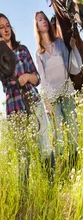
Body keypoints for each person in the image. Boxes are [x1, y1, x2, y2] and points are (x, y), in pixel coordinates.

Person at [0, 13, 54, 170]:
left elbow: (37, 78)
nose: (6, 29)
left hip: (34, 101)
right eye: (1, 27)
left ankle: (50, 189)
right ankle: (25, 192)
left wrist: (26, 76)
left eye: (8, 25)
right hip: (15, 107)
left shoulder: (22, 50)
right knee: (23, 155)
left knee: (44, 146)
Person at [34, 11, 78, 160]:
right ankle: (62, 163)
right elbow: (43, 79)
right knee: (58, 132)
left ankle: (74, 160)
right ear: (37, 26)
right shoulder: (38, 53)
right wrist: (47, 101)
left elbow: (68, 65)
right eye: (40, 20)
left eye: (45, 18)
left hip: (66, 91)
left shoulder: (59, 43)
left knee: (73, 128)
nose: (44, 21)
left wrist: (72, 48)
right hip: (52, 97)